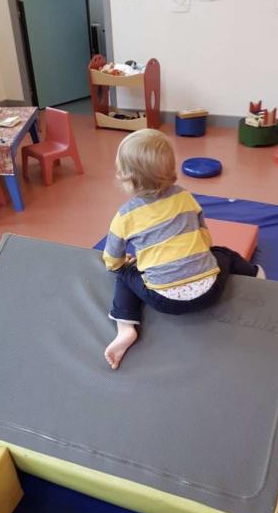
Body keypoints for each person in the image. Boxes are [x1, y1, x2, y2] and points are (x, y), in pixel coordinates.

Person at [103, 129, 265, 369]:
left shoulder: (125, 215)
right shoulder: (185, 197)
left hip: (163, 300)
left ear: (127, 178)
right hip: (210, 291)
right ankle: (256, 275)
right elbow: (205, 237)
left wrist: (122, 265)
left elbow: (112, 259)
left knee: (124, 274)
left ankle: (126, 327)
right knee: (224, 253)